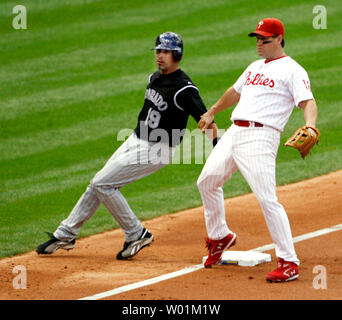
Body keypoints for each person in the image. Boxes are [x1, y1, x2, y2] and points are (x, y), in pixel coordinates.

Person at [36, 32, 218, 260]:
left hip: (158, 149)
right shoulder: (155, 77)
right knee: (98, 184)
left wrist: (216, 144)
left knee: (103, 183)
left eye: (165, 52)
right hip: (135, 140)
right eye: (158, 51)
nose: (160, 56)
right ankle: (65, 234)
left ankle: (136, 233)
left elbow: (206, 119)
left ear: (177, 54)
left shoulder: (185, 89)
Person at [197, 18, 318, 282]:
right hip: (234, 132)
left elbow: (308, 102)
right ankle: (220, 237)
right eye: (257, 39)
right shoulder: (254, 67)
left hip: (261, 136)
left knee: (266, 198)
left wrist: (310, 126)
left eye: (264, 39)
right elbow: (235, 92)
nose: (259, 44)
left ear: (279, 39)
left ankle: (289, 261)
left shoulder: (293, 70)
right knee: (207, 181)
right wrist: (212, 111)